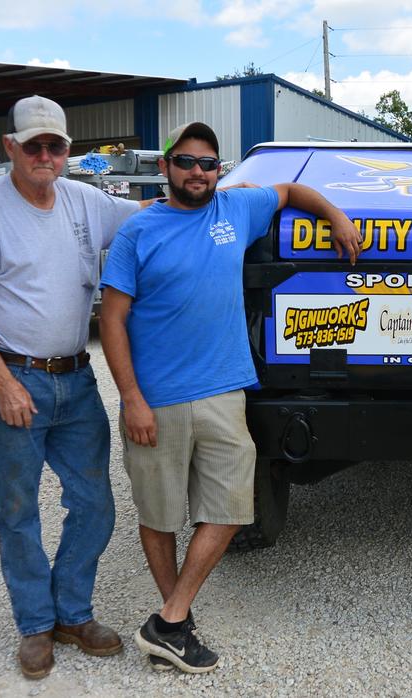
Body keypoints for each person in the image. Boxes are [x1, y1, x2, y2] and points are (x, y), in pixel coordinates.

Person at [99, 122, 361, 674]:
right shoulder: (138, 232)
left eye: (209, 163)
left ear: (220, 170)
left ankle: (169, 618)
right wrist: (131, 399)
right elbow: (114, 320)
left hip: (223, 394)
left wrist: (335, 216)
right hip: (157, 399)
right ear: (166, 167)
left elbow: (291, 191)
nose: (198, 171)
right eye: (187, 162)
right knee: (160, 513)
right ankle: (177, 624)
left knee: (232, 507)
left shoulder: (235, 211)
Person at [0, 95, 153, 679]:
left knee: (94, 504)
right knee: (17, 510)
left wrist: (227, 196)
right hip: (17, 381)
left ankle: (72, 612)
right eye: (31, 144)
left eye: (54, 145)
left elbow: (154, 212)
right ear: (10, 147)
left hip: (77, 380)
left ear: (68, 151)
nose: (43, 155)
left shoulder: (86, 201)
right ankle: (35, 624)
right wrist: (1, 380)